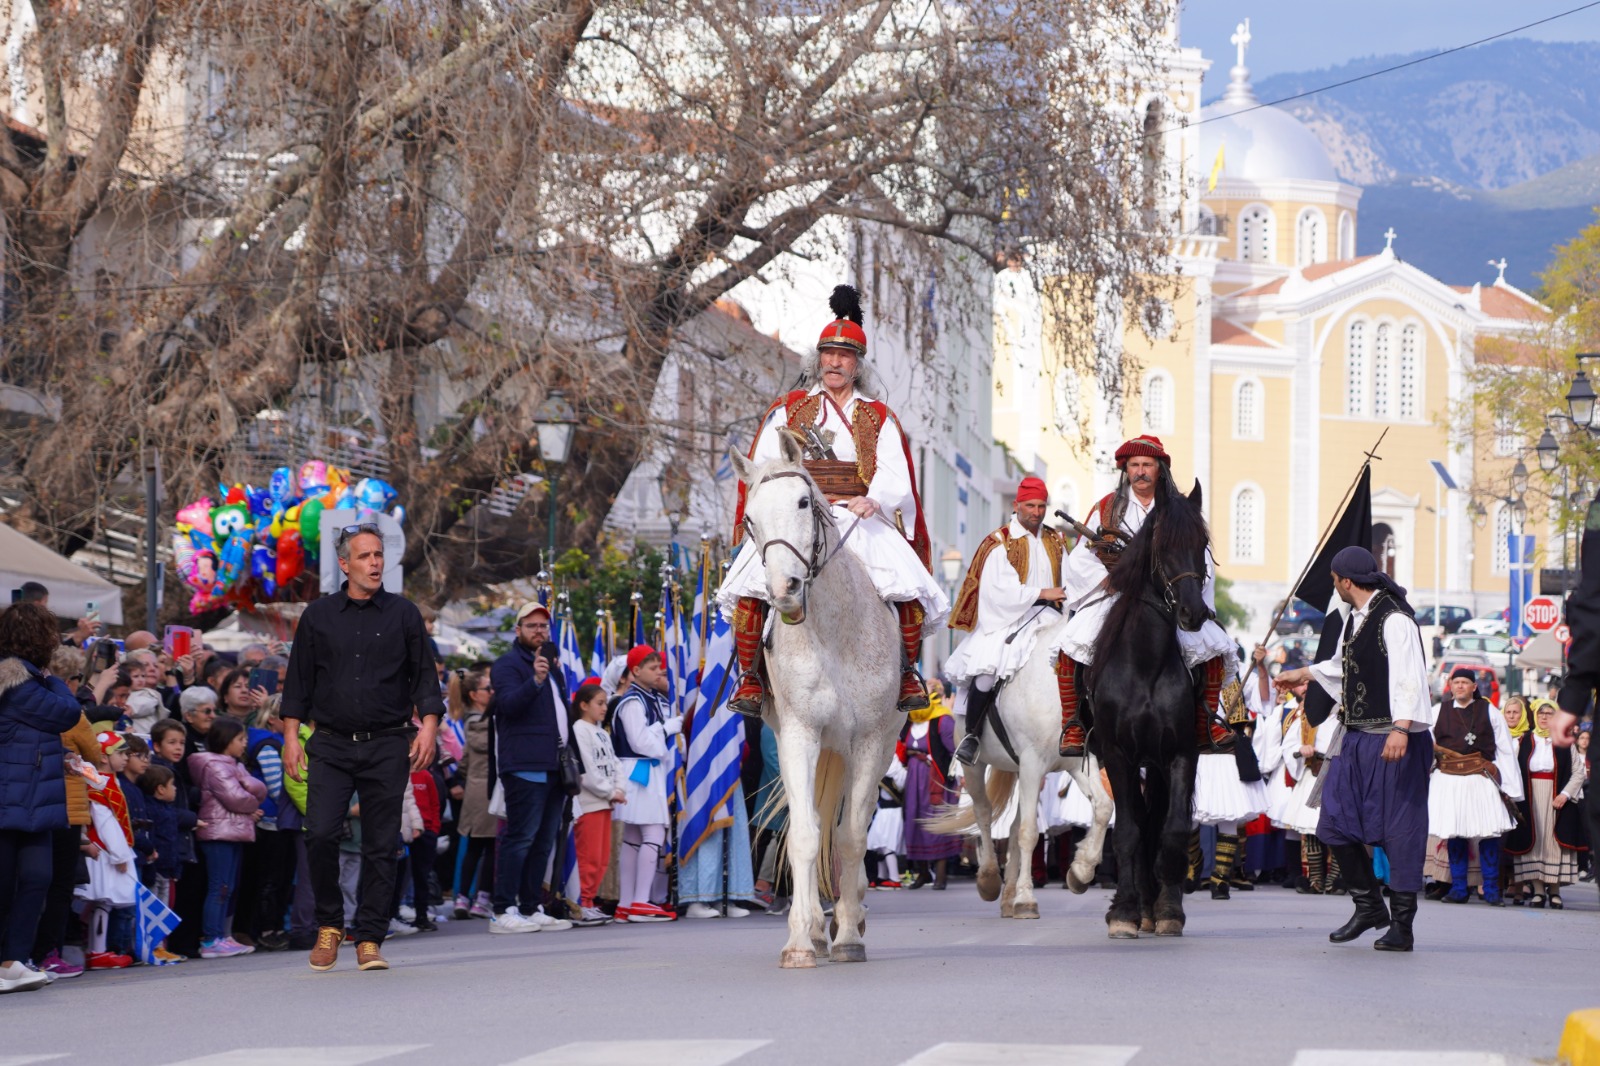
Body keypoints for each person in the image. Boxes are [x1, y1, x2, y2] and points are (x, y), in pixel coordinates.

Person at [720, 283, 949, 717]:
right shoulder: (789, 408)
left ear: (857, 364)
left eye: (844, 355)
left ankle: (906, 674)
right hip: (797, 515)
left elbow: (895, 472)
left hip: (856, 513)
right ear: (818, 359)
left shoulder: (877, 416)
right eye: (828, 353)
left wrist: (874, 499)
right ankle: (750, 677)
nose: (834, 362)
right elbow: (764, 465)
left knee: (905, 584)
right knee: (750, 579)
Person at [280, 522, 443, 973]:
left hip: (388, 742)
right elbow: (298, 682)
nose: (374, 563)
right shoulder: (318, 615)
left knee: (381, 844)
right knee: (320, 833)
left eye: (378, 555)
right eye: (365, 556)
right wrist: (291, 738)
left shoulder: (404, 614)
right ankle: (330, 925)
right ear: (344, 563)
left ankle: (370, 937)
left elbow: (424, 676)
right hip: (330, 743)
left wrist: (428, 728)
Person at [1274, 546, 1433, 952]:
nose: (1334, 587)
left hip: (1394, 739)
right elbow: (1343, 667)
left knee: (1401, 829)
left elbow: (1410, 677)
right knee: (1334, 823)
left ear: (1346, 581)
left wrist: (1401, 728)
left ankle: (1402, 927)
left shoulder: (1395, 619)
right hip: (1357, 738)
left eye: (1334, 580)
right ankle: (1369, 907)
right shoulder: (1355, 619)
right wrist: (1303, 673)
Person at [1053, 434, 1238, 757]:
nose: (1140, 471)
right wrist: (1106, 580)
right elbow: (1081, 558)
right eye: (1134, 465)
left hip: (1169, 598)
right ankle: (1073, 725)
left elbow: (1199, 554)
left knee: (1212, 645)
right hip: (1115, 596)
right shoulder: (1106, 509)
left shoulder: (1179, 508)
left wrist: (1190, 594)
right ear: (1126, 470)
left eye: (1147, 465)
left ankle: (1206, 722)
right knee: (1071, 642)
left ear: (1159, 469)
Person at [945, 477, 1069, 766]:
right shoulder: (999, 542)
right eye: (1030, 506)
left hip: (1052, 618)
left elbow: (1070, 579)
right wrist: (1043, 593)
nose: (1036, 512)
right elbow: (998, 592)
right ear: (1017, 505)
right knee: (987, 673)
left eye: (1041, 506)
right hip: (1008, 620)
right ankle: (972, 736)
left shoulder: (1055, 541)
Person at [0, 602, 84, 993]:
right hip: (10, 797)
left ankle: (14, 961)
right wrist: (54, 678)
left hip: (32, 798)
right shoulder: (17, 682)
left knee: (37, 878)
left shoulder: (28, 680)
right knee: (7, 885)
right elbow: (66, 712)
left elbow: (31, 734)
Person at [486, 601, 574, 935]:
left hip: (554, 766)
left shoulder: (554, 668)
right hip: (524, 765)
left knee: (543, 841)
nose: (539, 631)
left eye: (543, 626)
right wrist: (536, 679)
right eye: (532, 625)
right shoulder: (507, 666)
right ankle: (502, 910)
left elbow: (562, 716)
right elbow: (508, 706)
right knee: (520, 838)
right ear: (518, 630)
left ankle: (529, 906)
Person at [1427, 668, 1519, 905]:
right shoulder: (1437, 711)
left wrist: (1509, 787)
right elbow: (1427, 745)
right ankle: (1459, 889)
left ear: (1474, 687)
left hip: (1481, 777)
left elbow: (1505, 749)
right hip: (1448, 779)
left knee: (1488, 833)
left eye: (1465, 682)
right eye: (1456, 682)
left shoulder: (1490, 711)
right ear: (1450, 686)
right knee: (1455, 832)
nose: (1460, 686)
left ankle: (1491, 890)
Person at [611, 645, 682, 922]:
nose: (658, 672)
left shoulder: (645, 698)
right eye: (652, 668)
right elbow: (641, 742)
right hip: (639, 770)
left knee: (633, 839)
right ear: (636, 671)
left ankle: (627, 904)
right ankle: (639, 901)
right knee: (652, 835)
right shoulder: (633, 701)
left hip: (641, 771)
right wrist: (664, 729)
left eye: (658, 668)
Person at [188, 716, 267, 959]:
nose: (244, 743)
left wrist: (247, 789)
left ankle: (223, 935)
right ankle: (211, 939)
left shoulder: (234, 765)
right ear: (226, 740)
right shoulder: (215, 766)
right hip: (217, 832)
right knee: (219, 887)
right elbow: (236, 798)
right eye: (240, 739)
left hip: (233, 831)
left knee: (228, 887)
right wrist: (251, 802)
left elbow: (257, 788)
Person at [1505, 699, 1587, 908]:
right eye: (1541, 713)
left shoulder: (1564, 741)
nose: (1544, 717)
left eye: (1549, 714)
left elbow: (1579, 772)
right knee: (1534, 842)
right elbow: (1513, 770)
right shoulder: (1524, 741)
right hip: (1530, 796)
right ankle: (1539, 892)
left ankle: (1555, 891)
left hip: (1555, 797)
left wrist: (1565, 794)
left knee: (1553, 844)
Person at [569, 682, 622, 926]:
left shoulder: (601, 731)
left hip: (605, 803)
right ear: (583, 705)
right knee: (588, 857)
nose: (604, 708)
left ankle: (589, 902)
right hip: (590, 803)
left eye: (605, 703)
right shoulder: (579, 730)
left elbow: (615, 763)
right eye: (599, 703)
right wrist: (610, 791)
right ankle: (580, 904)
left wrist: (619, 789)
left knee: (601, 858)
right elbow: (586, 771)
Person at [897, 687, 959, 889]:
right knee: (914, 821)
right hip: (914, 779)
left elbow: (955, 752)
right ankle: (923, 873)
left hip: (935, 779)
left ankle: (940, 875)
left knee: (937, 822)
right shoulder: (908, 721)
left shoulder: (942, 720)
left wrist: (959, 779)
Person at [451, 666, 496, 920]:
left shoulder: (480, 720)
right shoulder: (477, 722)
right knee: (484, 846)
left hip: (479, 790)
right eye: (487, 689)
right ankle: (477, 898)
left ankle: (467, 898)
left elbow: (465, 760)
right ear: (474, 695)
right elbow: (484, 745)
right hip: (483, 791)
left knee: (481, 846)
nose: (492, 692)